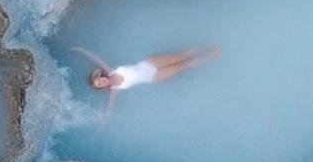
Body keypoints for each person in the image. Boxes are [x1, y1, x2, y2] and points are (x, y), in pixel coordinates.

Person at [72, 43, 220, 116]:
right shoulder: (114, 91)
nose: (102, 82)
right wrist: (101, 124)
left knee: (178, 57)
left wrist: (81, 51)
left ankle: (206, 46)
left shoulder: (111, 71)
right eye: (99, 85)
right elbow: (109, 108)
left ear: (101, 76)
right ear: (102, 88)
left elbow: (96, 59)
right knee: (183, 66)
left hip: (148, 64)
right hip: (152, 77)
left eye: (99, 80)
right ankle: (211, 56)